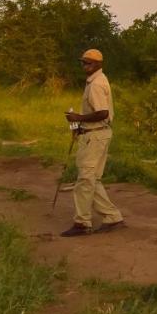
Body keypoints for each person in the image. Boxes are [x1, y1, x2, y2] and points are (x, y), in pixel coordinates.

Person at [60, 49, 125, 237]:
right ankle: (112, 217)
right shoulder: (96, 81)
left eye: (88, 63)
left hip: (95, 136)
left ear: (98, 64)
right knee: (92, 179)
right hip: (96, 133)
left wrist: (77, 117)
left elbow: (102, 112)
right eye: (83, 62)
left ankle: (82, 223)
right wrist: (80, 126)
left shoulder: (96, 84)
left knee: (85, 180)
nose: (84, 66)